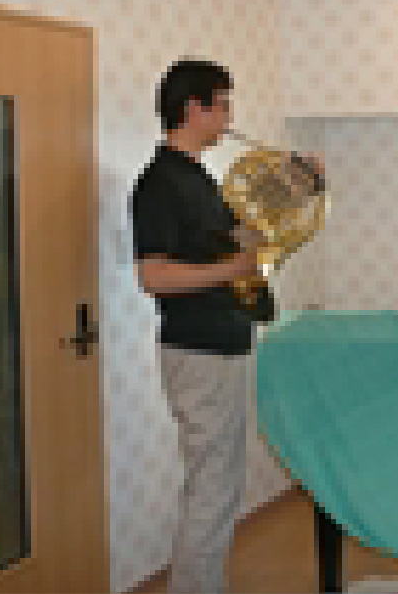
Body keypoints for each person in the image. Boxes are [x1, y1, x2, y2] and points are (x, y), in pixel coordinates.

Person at [129, 58, 322, 593]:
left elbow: (240, 237)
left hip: (221, 347)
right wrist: (233, 269)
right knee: (212, 491)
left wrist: (299, 183)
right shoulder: (160, 183)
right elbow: (153, 276)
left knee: (218, 487)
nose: (229, 116)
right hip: (199, 353)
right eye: (224, 104)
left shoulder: (199, 179)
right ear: (195, 108)